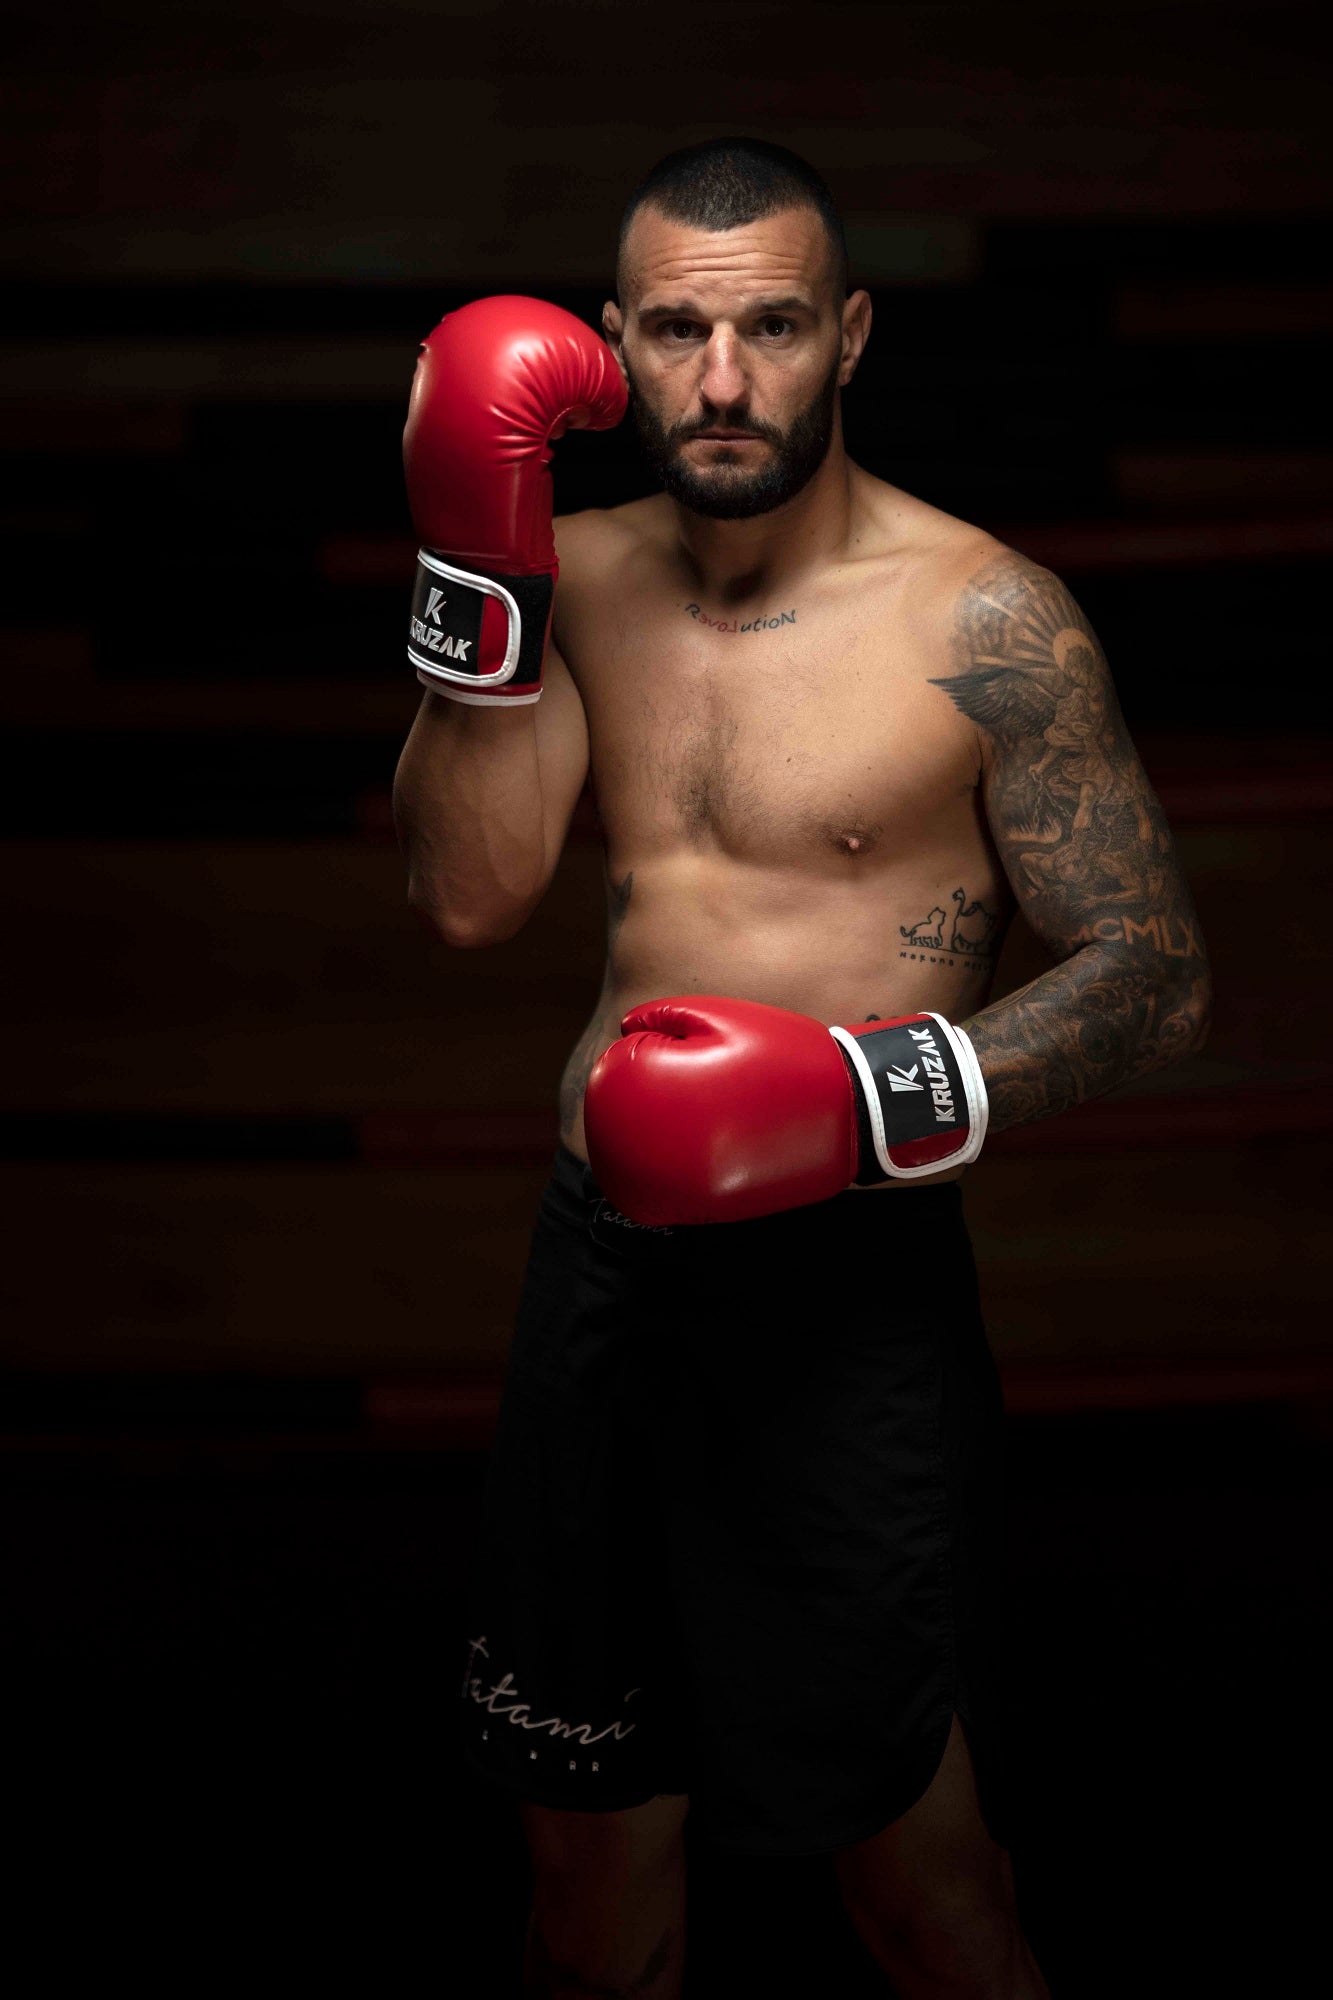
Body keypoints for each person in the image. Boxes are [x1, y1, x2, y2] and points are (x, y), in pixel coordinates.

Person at [393, 137, 1210, 2000]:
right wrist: (469, 566)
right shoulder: (569, 572)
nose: (723, 381)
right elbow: (469, 898)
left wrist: (857, 1105)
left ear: (845, 333)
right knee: (587, 1892)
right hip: (600, 1278)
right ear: (608, 344)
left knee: (917, 1887)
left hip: (842, 1294)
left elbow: (1151, 973)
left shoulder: (981, 621)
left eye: (768, 326)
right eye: (675, 332)